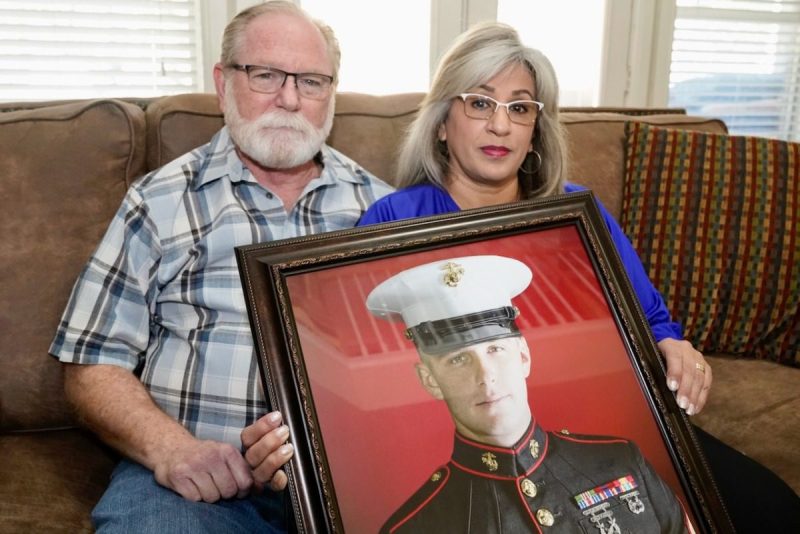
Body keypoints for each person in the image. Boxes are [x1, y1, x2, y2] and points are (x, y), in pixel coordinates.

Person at [358, 21, 800, 533]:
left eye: (520, 108)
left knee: (774, 509)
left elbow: (652, 318)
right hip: (474, 452)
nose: (500, 126)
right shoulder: (393, 220)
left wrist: (677, 348)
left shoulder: (577, 214)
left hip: (610, 427)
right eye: (480, 103)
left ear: (535, 130)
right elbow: (381, 369)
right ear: (440, 122)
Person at [48, 2, 392, 532]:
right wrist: (173, 450)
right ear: (223, 82)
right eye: (266, 75)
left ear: (332, 92)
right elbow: (90, 360)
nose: (290, 98)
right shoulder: (160, 200)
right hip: (194, 490)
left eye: (312, 80)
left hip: (348, 481)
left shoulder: (382, 211)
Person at [367, 255, 691, 533]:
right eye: (459, 359)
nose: (485, 375)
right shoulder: (415, 526)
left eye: (495, 349)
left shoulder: (621, 459)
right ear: (430, 380)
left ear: (523, 356)